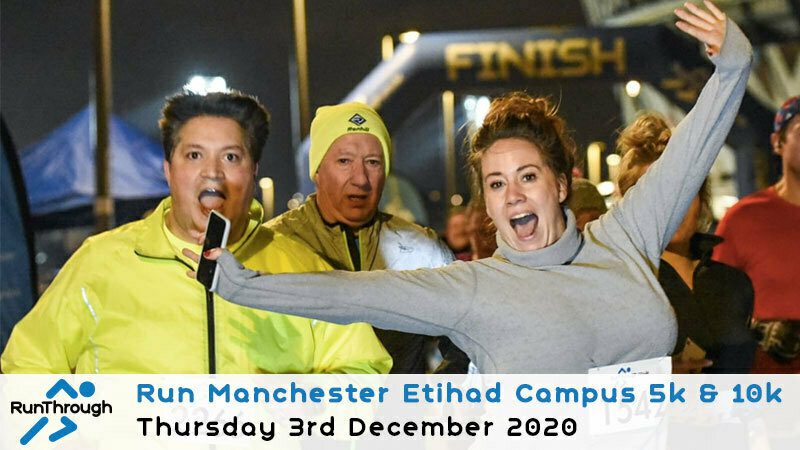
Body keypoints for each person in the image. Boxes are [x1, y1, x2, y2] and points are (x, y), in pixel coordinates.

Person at [193, 2, 752, 373]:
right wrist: (246, 288)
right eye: (496, 183)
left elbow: (691, 150)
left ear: (561, 184)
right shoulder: (473, 289)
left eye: (528, 177)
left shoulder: (625, 236)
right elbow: (350, 294)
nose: (514, 195)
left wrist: (732, 66)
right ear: (487, 201)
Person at [1, 91, 391, 374]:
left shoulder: (302, 267)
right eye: (194, 155)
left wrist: (298, 410)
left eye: (231, 157)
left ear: (253, 171)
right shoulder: (100, 263)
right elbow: (27, 366)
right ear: (168, 170)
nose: (212, 172)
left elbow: (364, 368)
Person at [266, 102, 467, 373]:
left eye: (373, 162)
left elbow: (468, 342)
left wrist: (434, 394)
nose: (360, 179)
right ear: (317, 171)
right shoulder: (274, 245)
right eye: (344, 161)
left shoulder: (422, 249)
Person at [616, 113, 755, 373]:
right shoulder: (615, 286)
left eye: (684, 190)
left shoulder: (735, 283)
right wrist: (654, 377)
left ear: (701, 197)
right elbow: (576, 378)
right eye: (656, 193)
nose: (673, 205)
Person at [713, 95, 800, 373]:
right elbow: (716, 307)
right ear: (777, 142)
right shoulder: (743, 219)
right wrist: (760, 330)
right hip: (771, 386)